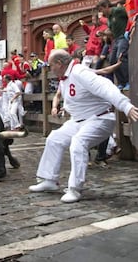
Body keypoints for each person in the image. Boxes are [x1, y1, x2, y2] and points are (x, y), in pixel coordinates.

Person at [28, 49, 138, 203]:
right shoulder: (65, 77)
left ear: (59, 64)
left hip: (100, 119)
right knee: (54, 138)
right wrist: (66, 108)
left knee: (78, 143)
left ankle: (75, 188)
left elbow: (106, 87)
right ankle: (49, 180)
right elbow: (75, 96)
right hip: (78, 120)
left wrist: (125, 106)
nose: (50, 68)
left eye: (51, 65)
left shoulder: (80, 72)